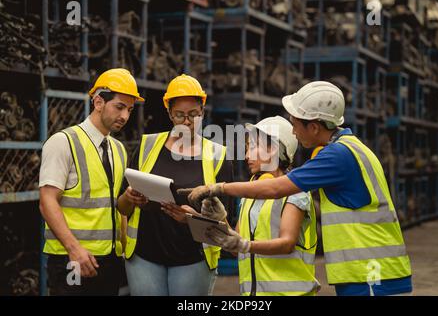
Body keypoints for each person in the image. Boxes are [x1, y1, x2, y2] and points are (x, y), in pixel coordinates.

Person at [179, 81, 413, 296]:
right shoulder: (346, 149)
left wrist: (219, 187)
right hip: (363, 271)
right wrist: (220, 222)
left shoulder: (337, 155)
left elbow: (277, 190)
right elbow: (239, 241)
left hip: (372, 271)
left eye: (295, 124)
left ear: (313, 127)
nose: (293, 131)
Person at [116, 74, 235, 296]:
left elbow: (224, 223)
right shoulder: (146, 146)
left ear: (203, 111)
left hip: (193, 259)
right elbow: (122, 207)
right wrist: (129, 198)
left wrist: (190, 219)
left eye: (193, 115)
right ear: (169, 113)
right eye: (180, 115)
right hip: (144, 257)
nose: (187, 122)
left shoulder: (218, 155)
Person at [39, 68, 144, 295]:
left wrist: (124, 247)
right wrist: (74, 248)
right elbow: (47, 201)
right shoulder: (62, 142)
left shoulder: (118, 150)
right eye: (119, 106)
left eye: (130, 109)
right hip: (72, 259)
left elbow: (116, 208)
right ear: (98, 102)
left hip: (109, 260)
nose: (125, 116)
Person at [199, 116, 320, 296]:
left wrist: (245, 245)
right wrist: (220, 219)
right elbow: (236, 247)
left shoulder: (295, 192)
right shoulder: (250, 194)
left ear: (274, 150)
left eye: (254, 147)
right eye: (248, 148)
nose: (247, 155)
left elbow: (286, 244)